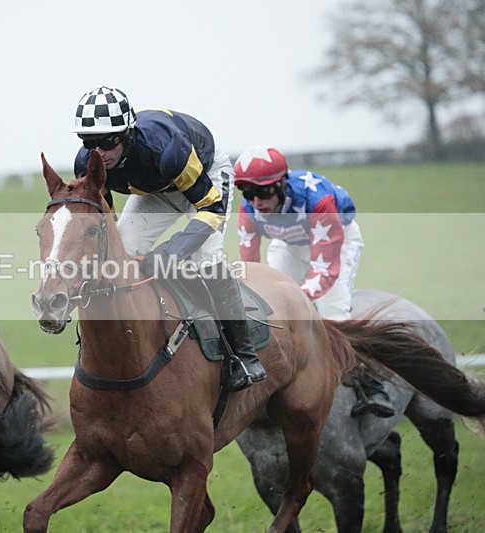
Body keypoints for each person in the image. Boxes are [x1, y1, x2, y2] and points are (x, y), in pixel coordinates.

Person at [72, 86, 265, 391]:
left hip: (205, 178)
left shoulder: (167, 150)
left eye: (107, 142)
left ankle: (244, 355)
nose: (98, 153)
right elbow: (106, 222)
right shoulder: (88, 164)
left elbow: (211, 208)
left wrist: (173, 250)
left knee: (205, 260)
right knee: (127, 251)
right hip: (156, 190)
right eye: (88, 143)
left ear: (126, 134)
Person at [233, 144, 393, 417]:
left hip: (336, 241)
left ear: (282, 183)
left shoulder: (317, 200)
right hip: (288, 245)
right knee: (272, 307)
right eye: (248, 193)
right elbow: (250, 267)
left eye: (263, 192)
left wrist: (295, 299)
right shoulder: (248, 210)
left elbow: (325, 271)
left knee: (334, 310)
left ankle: (370, 385)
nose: (257, 201)